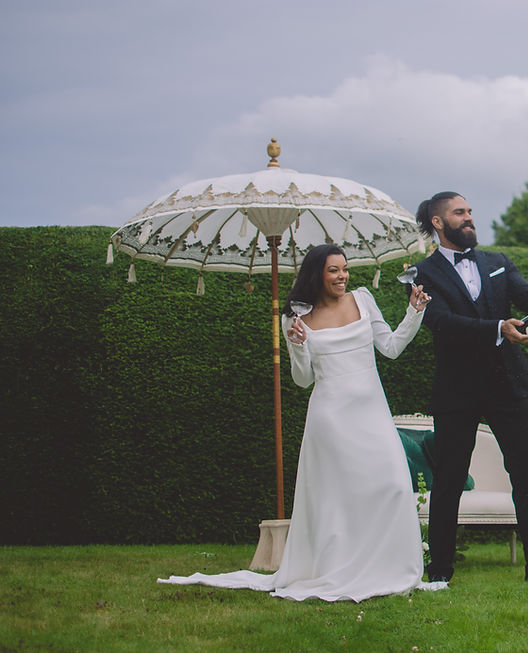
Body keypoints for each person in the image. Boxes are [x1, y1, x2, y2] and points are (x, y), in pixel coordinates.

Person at [158, 244, 445, 602]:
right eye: (333, 271)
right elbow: (302, 379)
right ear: (316, 275)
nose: (342, 276)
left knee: (393, 486)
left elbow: (390, 347)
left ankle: (389, 568)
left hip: (371, 413)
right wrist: (298, 346)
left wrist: (413, 312)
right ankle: (336, 569)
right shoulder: (294, 318)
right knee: (338, 499)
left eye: (344, 269)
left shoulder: (362, 298)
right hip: (331, 418)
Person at [411, 192, 528, 584]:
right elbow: (440, 322)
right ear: (438, 223)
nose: (469, 217)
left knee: (524, 475)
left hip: (510, 385)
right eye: (460, 213)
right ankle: (439, 572)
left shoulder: (498, 263)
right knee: (449, 478)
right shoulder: (422, 274)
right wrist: (497, 329)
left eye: (470, 211)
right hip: (457, 390)